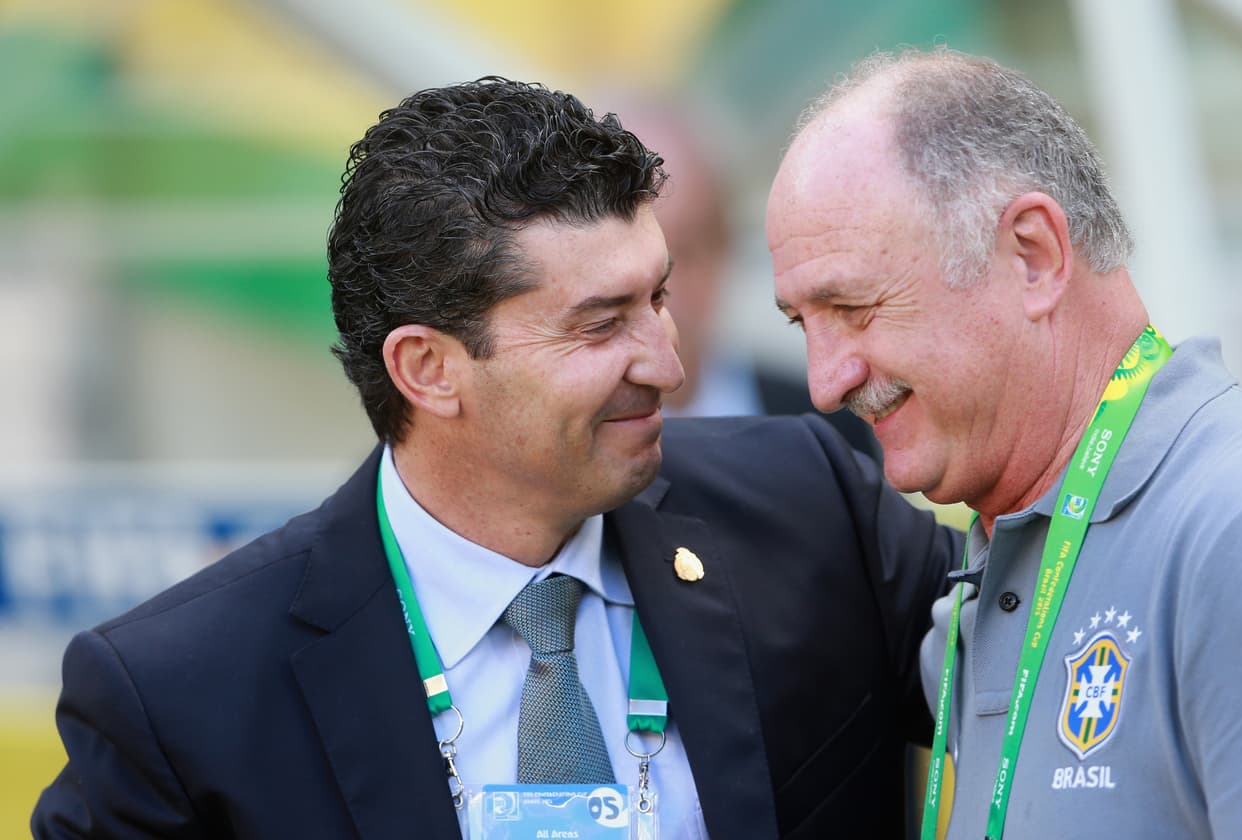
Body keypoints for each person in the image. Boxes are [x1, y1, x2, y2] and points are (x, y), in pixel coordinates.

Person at [33, 77, 959, 839]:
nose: (668, 364)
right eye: (601, 325)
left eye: (658, 299)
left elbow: (1039, 653)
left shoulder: (807, 509)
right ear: (428, 369)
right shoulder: (181, 696)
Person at [767, 46, 1242, 839]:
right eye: (804, 324)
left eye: (855, 308)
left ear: (1034, 257)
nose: (825, 381)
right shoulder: (976, 592)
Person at [612, 95, 880, 460]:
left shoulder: (826, 427)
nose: (663, 287)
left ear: (725, 245)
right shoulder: (576, 455)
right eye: (633, 260)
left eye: (686, 251)